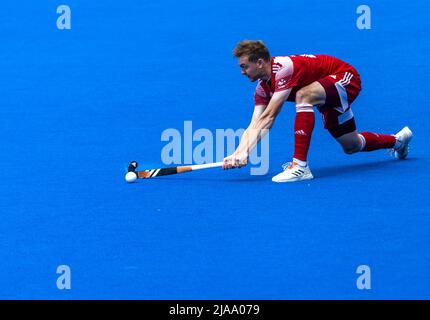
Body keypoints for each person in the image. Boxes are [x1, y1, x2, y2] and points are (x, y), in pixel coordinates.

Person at [222, 40, 413, 182]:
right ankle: (398, 141)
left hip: (345, 78)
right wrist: (237, 153)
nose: (242, 72)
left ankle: (300, 166)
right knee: (351, 145)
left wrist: (246, 151)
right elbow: (255, 123)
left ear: (260, 62)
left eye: (244, 66)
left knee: (303, 95)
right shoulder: (262, 89)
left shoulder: (282, 68)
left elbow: (270, 117)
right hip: (325, 94)